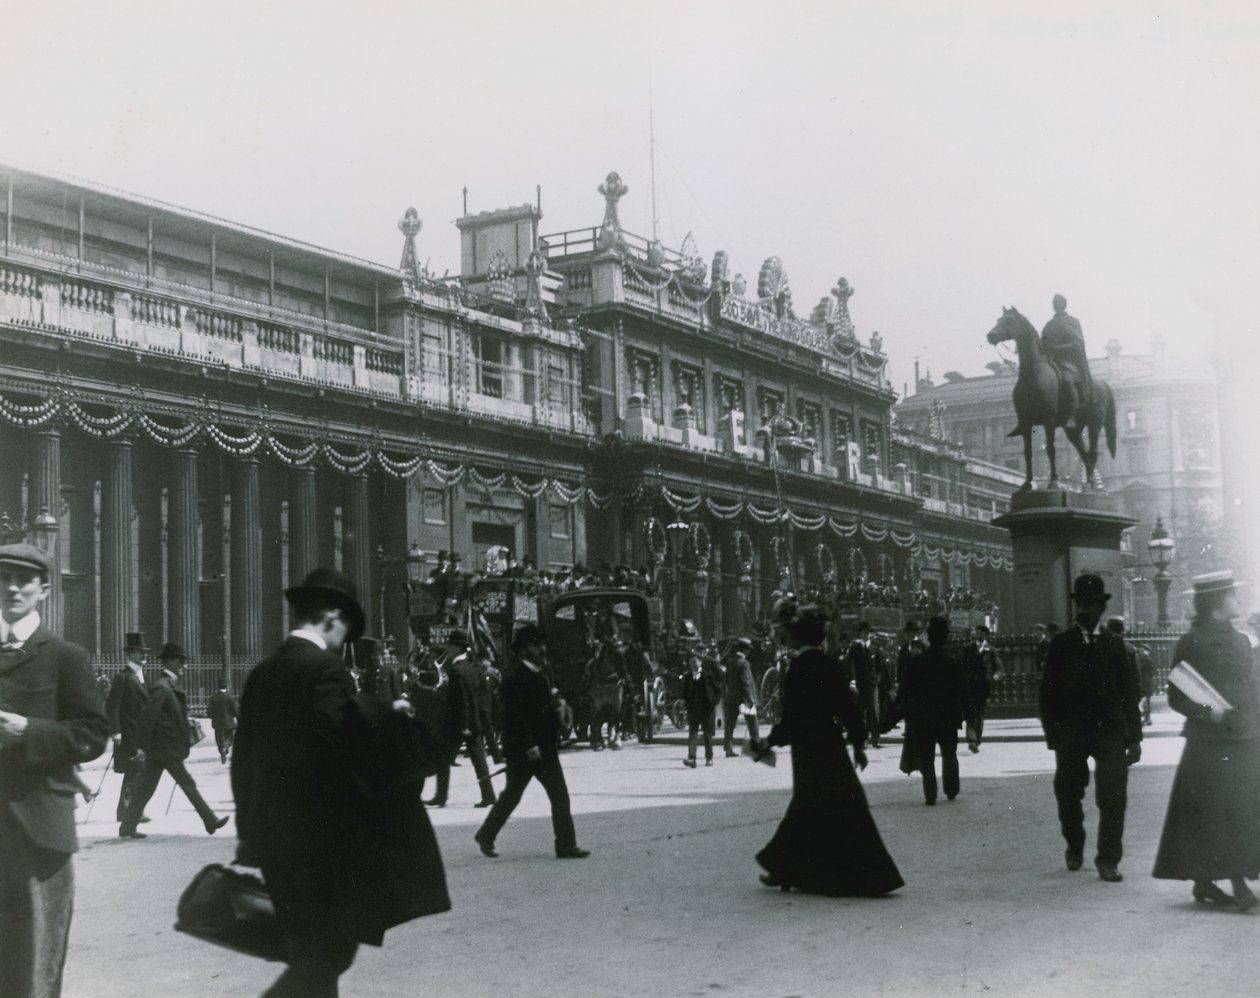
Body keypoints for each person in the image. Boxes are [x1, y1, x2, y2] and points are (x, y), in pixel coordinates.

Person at [232, 567, 450, 997]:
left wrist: (250, 835)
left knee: (318, 956)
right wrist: (389, 719)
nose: (344, 643)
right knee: (329, 953)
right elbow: (342, 743)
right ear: (332, 616)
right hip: (320, 847)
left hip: (275, 844)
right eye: (346, 630)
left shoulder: (262, 673)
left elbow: (244, 764)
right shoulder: (324, 670)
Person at [0, 542, 110, 998]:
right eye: (3, 578)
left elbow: (92, 733)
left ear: (44, 590)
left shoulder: (65, 656)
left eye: (23, 580)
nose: (11, 587)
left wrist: (30, 731)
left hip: (37, 831)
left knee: (33, 969)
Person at [751, 605, 903, 897]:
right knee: (847, 804)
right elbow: (847, 708)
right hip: (831, 743)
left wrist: (769, 742)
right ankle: (873, 875)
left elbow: (792, 718)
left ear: (798, 639)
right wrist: (858, 744)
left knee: (807, 804)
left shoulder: (797, 669)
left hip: (807, 748)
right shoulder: (831, 665)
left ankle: (784, 868)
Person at [1153, 571, 1260, 911]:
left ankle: (1206, 882)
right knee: (1216, 813)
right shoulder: (1191, 642)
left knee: (1240, 811)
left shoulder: (1244, 641)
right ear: (1217, 601)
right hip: (1208, 743)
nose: (1238, 601)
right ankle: (1236, 882)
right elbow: (1176, 696)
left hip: (1244, 736)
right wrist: (1205, 712)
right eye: (1233, 595)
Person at [1039, 573, 1142, 883]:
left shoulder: (1115, 645)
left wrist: (1134, 738)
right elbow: (1047, 691)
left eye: (1090, 605)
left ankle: (1108, 860)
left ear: (1100, 608)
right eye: (1079, 604)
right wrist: (1052, 734)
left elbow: (1129, 695)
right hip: (1071, 730)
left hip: (1109, 729)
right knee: (1068, 794)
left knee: (1114, 795)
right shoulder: (1061, 644)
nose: (1083, 610)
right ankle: (1074, 843)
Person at [475, 624, 589, 860]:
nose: (542, 649)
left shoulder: (539, 672)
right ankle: (486, 835)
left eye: (542, 644)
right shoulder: (514, 676)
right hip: (525, 750)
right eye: (536, 645)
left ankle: (565, 845)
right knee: (514, 796)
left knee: (556, 795)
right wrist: (529, 745)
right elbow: (513, 716)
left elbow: (542, 708)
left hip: (544, 748)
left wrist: (558, 706)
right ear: (524, 649)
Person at [119, 643, 229, 838]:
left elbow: (164, 717)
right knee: (187, 783)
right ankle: (210, 820)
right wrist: (141, 747)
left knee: (146, 789)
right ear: (169, 661)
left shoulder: (169, 686)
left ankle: (127, 827)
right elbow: (147, 719)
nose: (184, 666)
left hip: (165, 748)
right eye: (180, 661)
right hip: (165, 749)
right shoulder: (162, 687)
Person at [885, 616, 965, 805]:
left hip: (923, 718)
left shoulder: (917, 662)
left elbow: (903, 693)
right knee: (949, 753)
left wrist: (888, 719)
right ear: (945, 637)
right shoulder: (953, 662)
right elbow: (963, 693)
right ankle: (951, 790)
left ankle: (930, 795)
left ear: (928, 635)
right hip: (947, 717)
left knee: (927, 759)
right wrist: (967, 718)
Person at [427, 630, 496, 808]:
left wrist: (464, 724)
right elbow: (481, 695)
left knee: (444, 757)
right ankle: (488, 794)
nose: (448, 650)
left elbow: (462, 700)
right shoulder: (474, 669)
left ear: (457, 648)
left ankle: (441, 796)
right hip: (473, 720)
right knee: (479, 759)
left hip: (458, 722)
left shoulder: (456, 671)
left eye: (450, 646)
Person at [105, 631, 150, 824]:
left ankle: (131, 810)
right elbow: (112, 706)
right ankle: (126, 812)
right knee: (134, 773)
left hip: (140, 735)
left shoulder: (142, 676)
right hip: (128, 734)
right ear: (131, 653)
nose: (144, 655)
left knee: (138, 772)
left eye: (145, 651)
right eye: (140, 652)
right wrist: (115, 731)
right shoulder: (123, 677)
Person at [1040, 293, 1093, 423]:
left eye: (1058, 302)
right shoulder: (1049, 325)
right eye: (1054, 303)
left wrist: (1059, 349)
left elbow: (1078, 344)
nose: (1056, 305)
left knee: (1068, 380)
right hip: (1052, 361)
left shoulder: (1073, 322)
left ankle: (1071, 414)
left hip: (1069, 361)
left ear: (1064, 305)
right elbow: (1043, 344)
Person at [960, 624, 1003, 753]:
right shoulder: (967, 649)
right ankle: (972, 740)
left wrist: (996, 676)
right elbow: (961, 666)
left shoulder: (990, 650)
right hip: (969, 686)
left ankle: (976, 740)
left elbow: (998, 667)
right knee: (971, 713)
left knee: (979, 714)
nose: (977, 636)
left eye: (980, 633)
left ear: (985, 635)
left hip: (984, 687)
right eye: (976, 633)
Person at [847, 621, 884, 748]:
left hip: (872, 685)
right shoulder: (855, 648)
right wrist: (852, 680)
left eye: (868, 632)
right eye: (863, 632)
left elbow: (880, 665)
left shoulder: (874, 647)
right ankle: (863, 740)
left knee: (874, 712)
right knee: (860, 713)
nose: (866, 634)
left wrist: (877, 679)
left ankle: (875, 739)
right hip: (859, 685)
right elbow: (850, 665)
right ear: (860, 633)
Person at [721, 637, 759, 757]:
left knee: (730, 725)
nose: (749, 651)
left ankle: (728, 749)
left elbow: (726, 680)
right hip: (743, 699)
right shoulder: (744, 663)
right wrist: (750, 699)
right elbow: (745, 683)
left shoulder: (730, 662)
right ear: (745, 650)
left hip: (731, 697)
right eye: (748, 649)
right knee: (753, 724)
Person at [681, 652, 721, 768]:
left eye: (694, 661)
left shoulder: (707, 675)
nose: (692, 664)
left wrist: (714, 702)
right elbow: (684, 692)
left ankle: (709, 757)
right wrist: (685, 702)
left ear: (700, 662)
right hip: (693, 709)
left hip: (706, 709)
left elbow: (718, 690)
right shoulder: (688, 676)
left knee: (707, 733)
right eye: (690, 662)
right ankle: (692, 758)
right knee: (692, 733)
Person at [207, 681, 239, 764]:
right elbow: (235, 711)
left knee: (218, 740)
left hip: (217, 724)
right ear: (226, 686)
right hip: (229, 723)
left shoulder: (213, 698)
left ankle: (222, 750)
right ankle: (226, 747)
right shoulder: (230, 697)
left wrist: (214, 717)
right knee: (230, 738)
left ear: (218, 686)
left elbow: (209, 713)